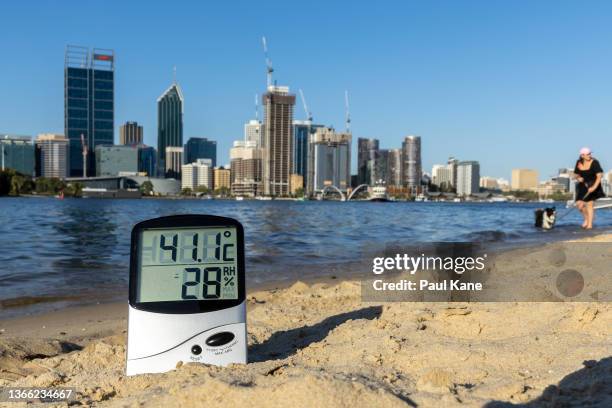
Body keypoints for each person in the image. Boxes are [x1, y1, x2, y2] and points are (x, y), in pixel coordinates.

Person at [574, 147, 605, 229]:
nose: (590, 155)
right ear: (582, 155)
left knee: (589, 204)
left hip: (593, 184)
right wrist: (578, 178)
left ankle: (590, 225)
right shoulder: (579, 162)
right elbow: (576, 174)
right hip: (582, 185)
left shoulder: (595, 162)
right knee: (579, 205)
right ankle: (587, 219)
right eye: (587, 154)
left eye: (590, 153)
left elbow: (599, 176)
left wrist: (594, 187)